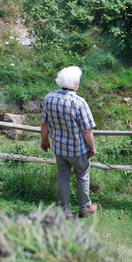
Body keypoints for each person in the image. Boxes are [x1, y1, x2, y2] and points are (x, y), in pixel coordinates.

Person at [40, 66, 98, 219]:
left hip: (59, 148)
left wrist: (44, 140)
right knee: (82, 175)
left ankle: (64, 211)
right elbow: (87, 131)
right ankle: (85, 208)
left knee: (62, 177)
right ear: (75, 84)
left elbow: (44, 124)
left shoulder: (49, 97)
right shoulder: (79, 102)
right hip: (77, 150)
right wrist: (92, 147)